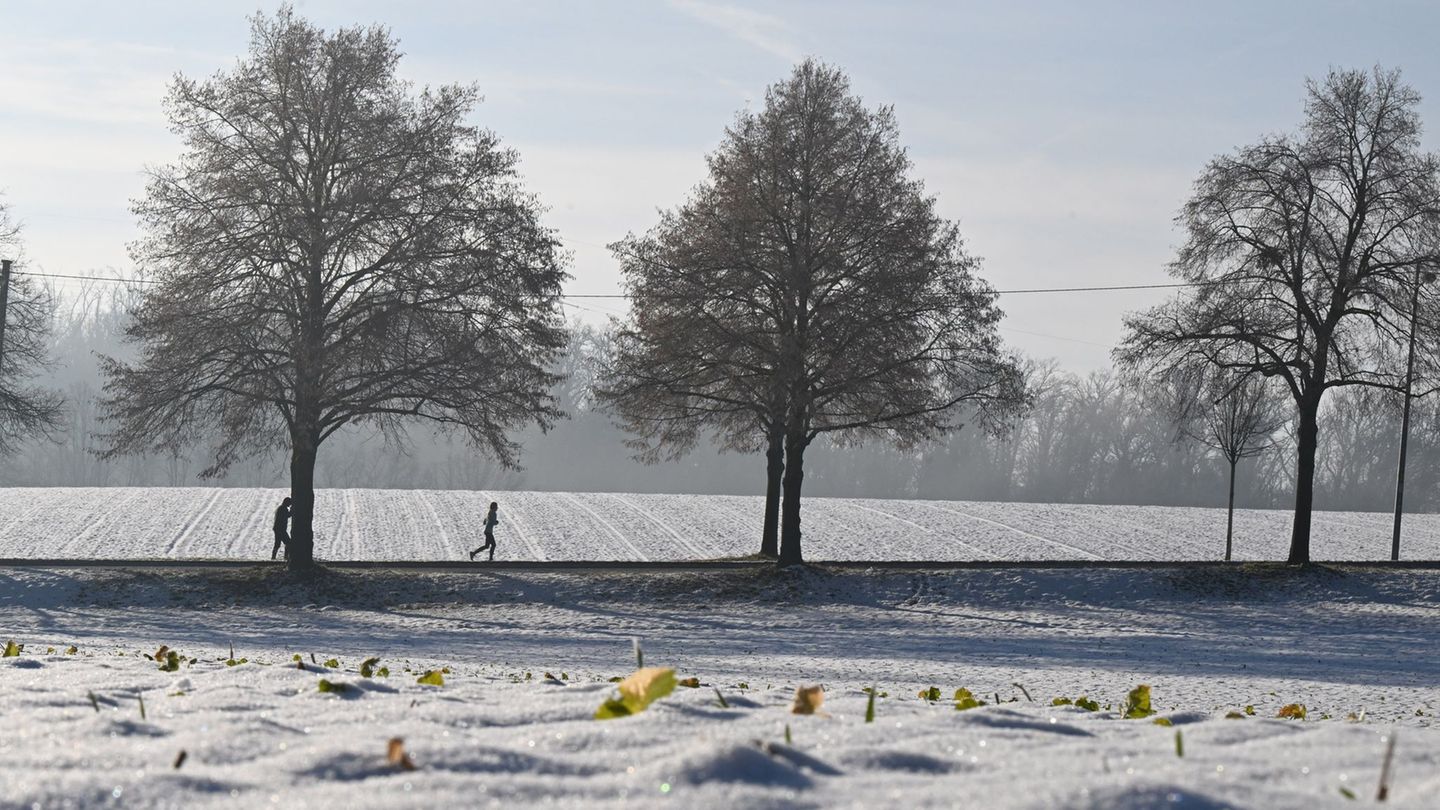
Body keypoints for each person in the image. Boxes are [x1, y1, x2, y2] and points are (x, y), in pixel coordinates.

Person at [272, 496, 292, 561]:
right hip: (281, 529)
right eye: (290, 503)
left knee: (277, 543)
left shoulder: (280, 508)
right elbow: (288, 515)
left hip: (277, 528)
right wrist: (292, 510)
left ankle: (273, 557)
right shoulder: (283, 509)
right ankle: (286, 557)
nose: (290, 504)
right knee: (288, 543)